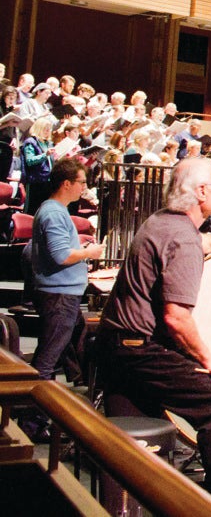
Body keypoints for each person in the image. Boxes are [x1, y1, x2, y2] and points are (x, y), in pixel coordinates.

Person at [95, 157, 211, 516]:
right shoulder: (181, 237)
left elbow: (206, 239)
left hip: (114, 345)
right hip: (139, 349)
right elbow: (177, 318)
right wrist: (210, 360)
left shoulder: (164, 222)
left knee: (141, 456)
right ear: (200, 193)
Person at [26, 158, 101, 427]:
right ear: (66, 183)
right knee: (47, 361)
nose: (84, 187)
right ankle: (32, 422)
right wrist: (88, 253)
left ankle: (35, 416)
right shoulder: (54, 213)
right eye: (81, 182)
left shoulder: (52, 211)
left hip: (60, 293)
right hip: (59, 296)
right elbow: (60, 256)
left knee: (55, 356)